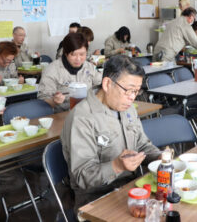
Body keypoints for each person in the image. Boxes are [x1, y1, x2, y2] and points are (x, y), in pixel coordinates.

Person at [61, 55, 161, 213]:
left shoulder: (126, 108)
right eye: (128, 90)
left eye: (136, 91)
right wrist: (117, 166)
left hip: (130, 188)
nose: (132, 97)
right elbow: (82, 176)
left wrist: (160, 158)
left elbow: (142, 145)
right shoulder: (82, 118)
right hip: (95, 200)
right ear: (107, 84)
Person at [39, 33, 102, 112]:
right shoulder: (52, 70)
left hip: (87, 113)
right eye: (73, 55)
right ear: (66, 53)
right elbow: (43, 101)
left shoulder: (89, 67)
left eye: (82, 54)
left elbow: (101, 86)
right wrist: (54, 100)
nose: (78, 59)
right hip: (62, 116)